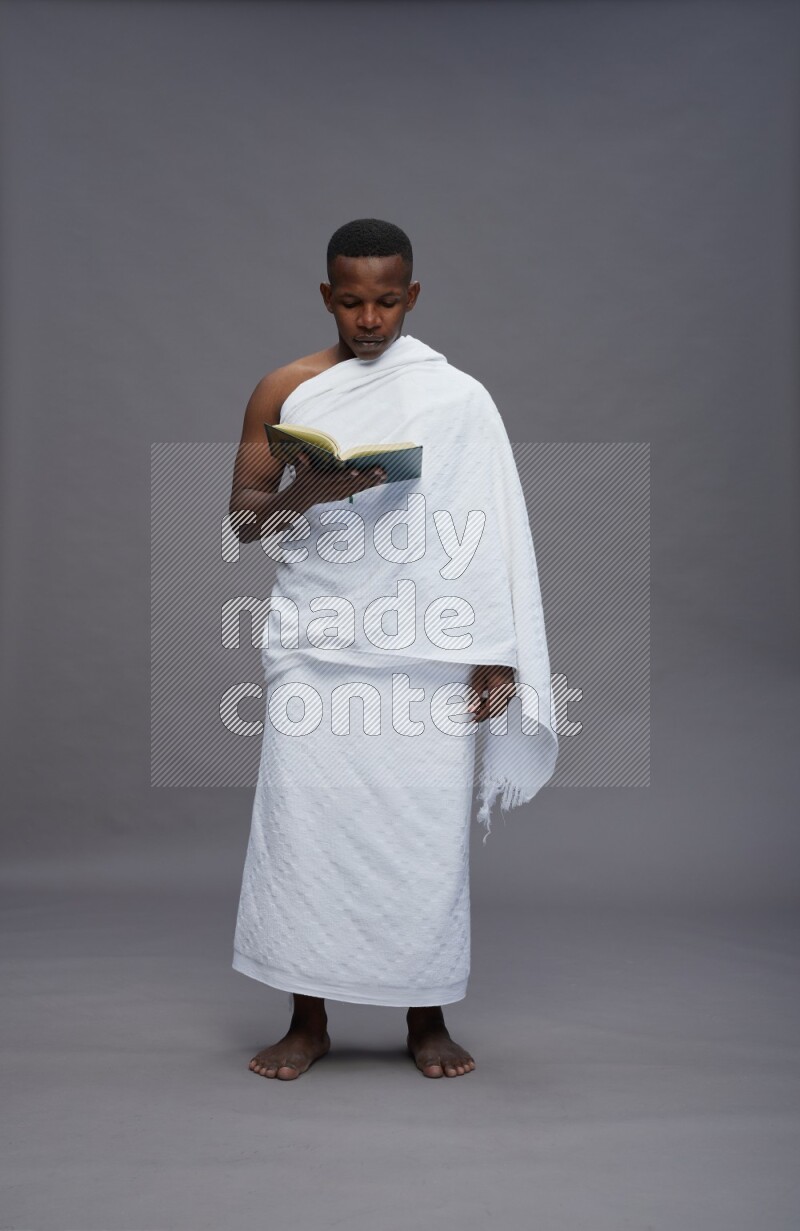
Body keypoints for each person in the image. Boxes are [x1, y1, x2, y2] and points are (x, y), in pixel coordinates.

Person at [228, 218, 557, 1080]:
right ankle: (307, 1018)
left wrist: (497, 650)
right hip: (318, 640)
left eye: (384, 301)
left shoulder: (458, 398)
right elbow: (242, 522)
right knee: (305, 829)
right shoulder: (285, 390)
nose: (368, 318)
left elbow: (490, 533)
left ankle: (426, 1013)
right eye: (350, 300)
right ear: (325, 295)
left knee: (421, 830)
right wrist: (316, 489)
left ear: (411, 296)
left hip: (426, 647)